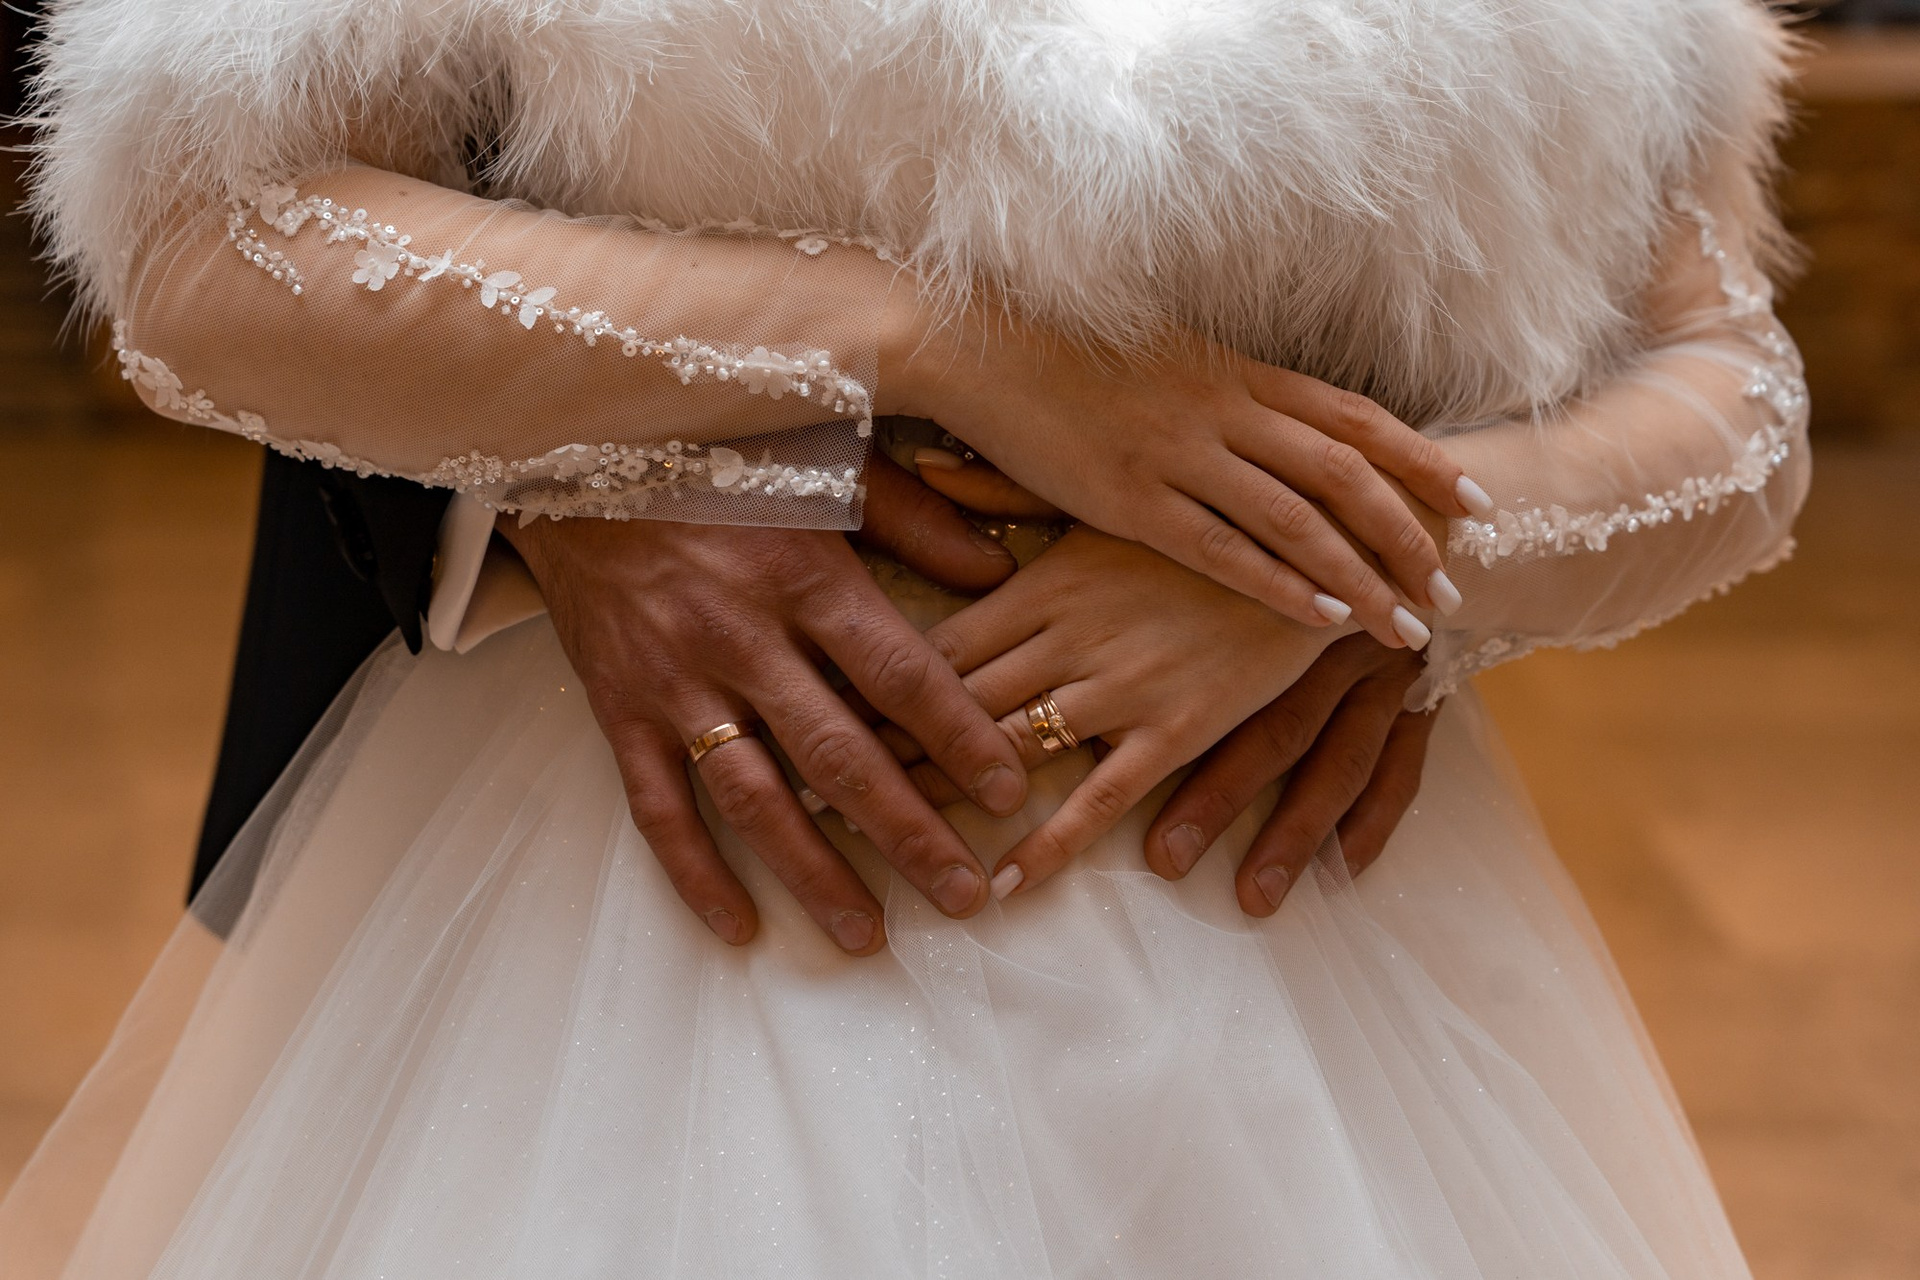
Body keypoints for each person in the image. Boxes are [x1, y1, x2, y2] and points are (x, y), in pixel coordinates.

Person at [0, 0, 1808, 1275]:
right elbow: (204, 235)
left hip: (1283, 884)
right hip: (665, 867)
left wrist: (1344, 563)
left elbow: (1732, 391)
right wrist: (916, 339)